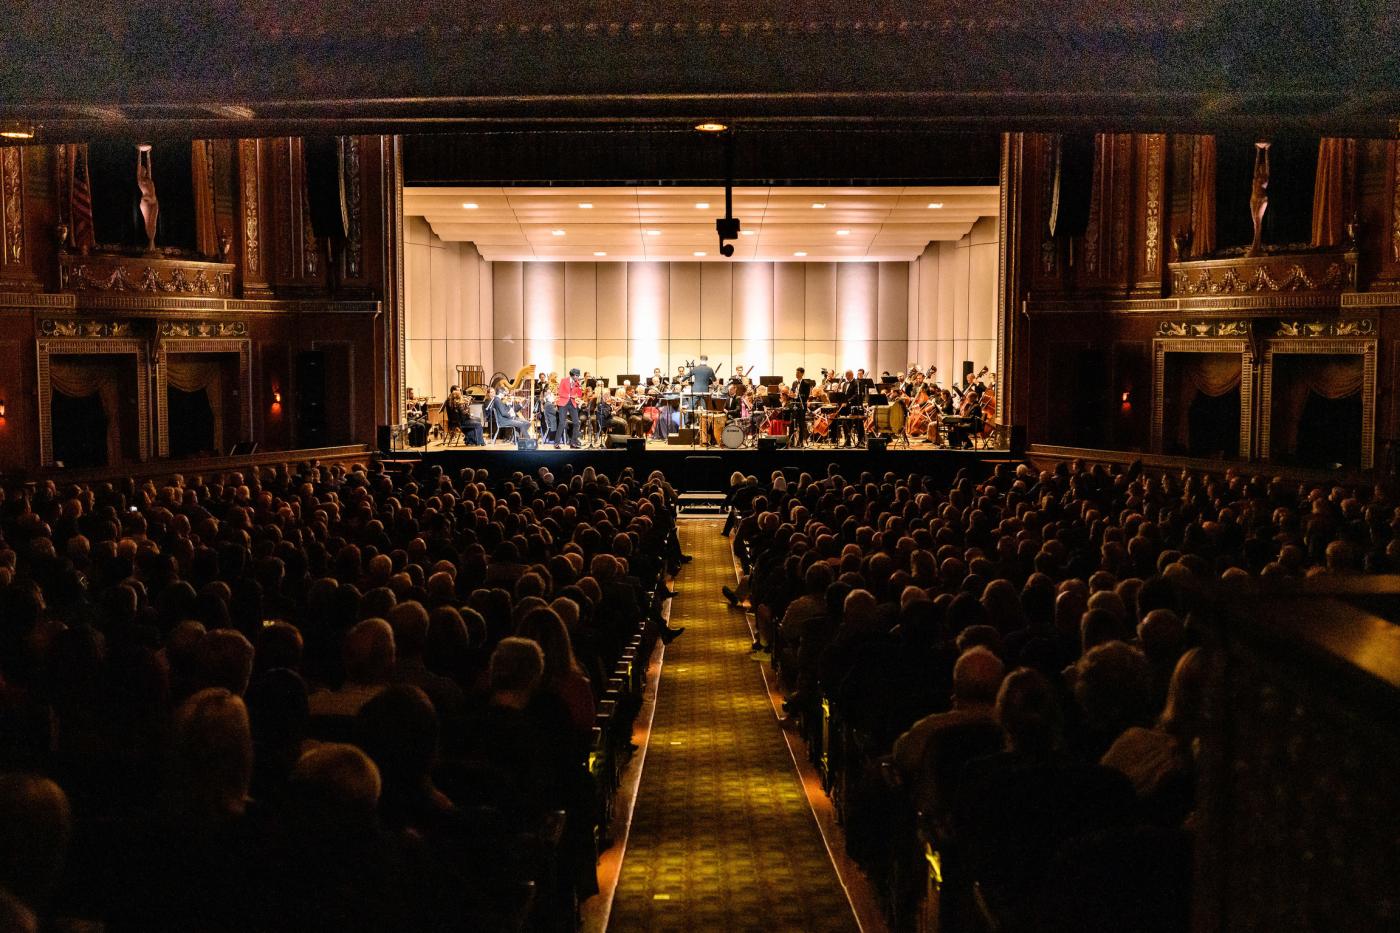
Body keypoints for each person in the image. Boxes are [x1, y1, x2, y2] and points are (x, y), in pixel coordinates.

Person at [556, 367, 583, 448]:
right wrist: (570, 395)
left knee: (576, 423)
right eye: (576, 375)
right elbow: (560, 392)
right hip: (563, 403)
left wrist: (580, 387)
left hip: (572, 403)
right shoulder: (564, 380)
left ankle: (573, 442)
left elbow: (579, 394)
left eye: (578, 376)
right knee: (561, 423)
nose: (577, 377)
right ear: (572, 375)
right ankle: (556, 443)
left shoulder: (577, 383)